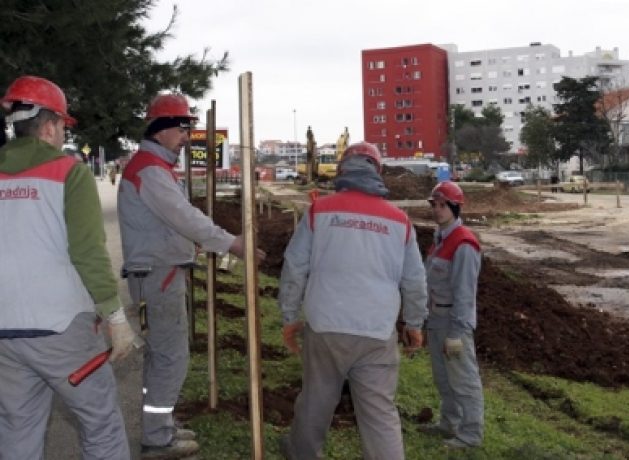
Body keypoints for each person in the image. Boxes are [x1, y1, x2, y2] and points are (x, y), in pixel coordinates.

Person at [0, 75, 137, 459]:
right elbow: (88, 252)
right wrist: (115, 316)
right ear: (48, 126)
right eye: (62, 125)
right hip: (62, 329)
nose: (63, 134)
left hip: (5, 333)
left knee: (17, 431)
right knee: (101, 424)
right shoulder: (68, 172)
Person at [278, 141, 428, 460]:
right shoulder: (399, 221)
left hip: (325, 326)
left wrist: (290, 316)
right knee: (379, 415)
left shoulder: (320, 210)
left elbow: (294, 266)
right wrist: (414, 323)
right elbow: (414, 281)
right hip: (376, 331)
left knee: (316, 402)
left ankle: (301, 454)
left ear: (343, 169)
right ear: (379, 171)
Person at [117, 93, 247, 458]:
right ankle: (157, 438)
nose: (187, 136)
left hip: (156, 271)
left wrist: (193, 245)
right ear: (160, 130)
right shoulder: (150, 170)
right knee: (171, 356)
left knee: (161, 355)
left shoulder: (153, 168)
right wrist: (230, 243)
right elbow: (182, 216)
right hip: (157, 273)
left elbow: (170, 222)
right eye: (181, 128)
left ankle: (159, 424)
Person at [420, 181, 485, 449]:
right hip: (436, 320)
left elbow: (464, 294)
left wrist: (457, 332)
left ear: (456, 207)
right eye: (434, 205)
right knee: (444, 378)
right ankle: (450, 423)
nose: (437, 210)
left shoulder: (464, 243)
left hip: (452, 322)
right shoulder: (440, 240)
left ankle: (470, 435)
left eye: (442, 205)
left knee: (463, 380)